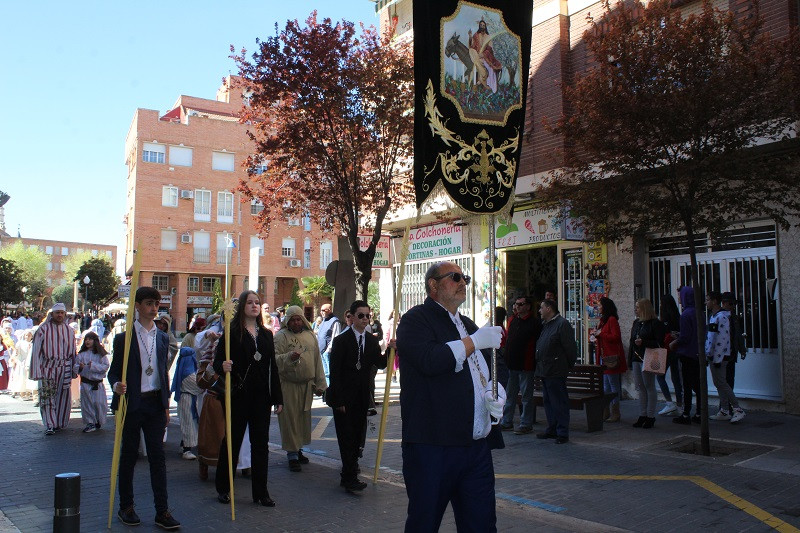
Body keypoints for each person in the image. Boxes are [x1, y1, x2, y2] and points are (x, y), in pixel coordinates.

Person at [396, 262, 505, 531]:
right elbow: (430, 360)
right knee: (425, 522)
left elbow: (488, 371)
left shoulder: (467, 324)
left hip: (476, 447)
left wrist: (497, 393)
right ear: (433, 285)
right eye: (455, 277)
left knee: (481, 524)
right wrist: (475, 342)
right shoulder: (415, 320)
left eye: (464, 277)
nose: (462, 282)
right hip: (433, 446)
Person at [108, 287, 180, 530]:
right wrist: (117, 385)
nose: (154, 308)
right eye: (149, 303)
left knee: (157, 458)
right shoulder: (124, 339)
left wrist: (166, 406)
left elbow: (162, 372)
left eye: (157, 303)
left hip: (155, 404)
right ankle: (126, 506)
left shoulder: (161, 337)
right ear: (137, 305)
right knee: (128, 456)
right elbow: (114, 372)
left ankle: (162, 510)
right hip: (132, 403)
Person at [214, 290, 283, 507]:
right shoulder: (232, 333)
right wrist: (223, 366)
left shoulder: (266, 334)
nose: (254, 306)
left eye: (257, 302)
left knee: (260, 444)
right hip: (239, 394)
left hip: (261, 397)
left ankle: (261, 492)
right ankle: (224, 487)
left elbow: (273, 368)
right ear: (242, 306)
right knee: (232, 442)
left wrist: (277, 397)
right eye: (250, 302)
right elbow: (217, 362)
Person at [326, 300, 388, 493]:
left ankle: (349, 473)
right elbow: (335, 374)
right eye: (360, 315)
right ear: (351, 317)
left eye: (367, 316)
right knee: (346, 437)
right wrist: (338, 400)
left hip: (362, 397)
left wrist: (393, 349)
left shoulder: (370, 341)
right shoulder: (341, 341)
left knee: (357, 436)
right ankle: (350, 476)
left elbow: (380, 363)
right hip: (344, 397)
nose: (364, 319)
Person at [273, 305, 327, 472]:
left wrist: (320, 384)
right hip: (288, 386)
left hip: (306, 386)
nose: (296, 322)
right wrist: (289, 357)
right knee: (290, 420)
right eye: (293, 320)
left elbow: (317, 361)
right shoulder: (281, 337)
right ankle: (292, 454)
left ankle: (299, 449)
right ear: (287, 321)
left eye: (299, 319)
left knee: (302, 420)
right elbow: (274, 360)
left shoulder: (310, 336)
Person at [535, 299, 577, 443]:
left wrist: (567, 364)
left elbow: (570, 348)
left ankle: (562, 432)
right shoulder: (547, 325)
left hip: (556, 370)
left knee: (559, 401)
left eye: (541, 308)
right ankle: (552, 428)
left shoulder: (562, 324)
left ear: (549, 308)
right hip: (545, 370)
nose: (539, 311)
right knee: (548, 401)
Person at [30, 303, 76, 436]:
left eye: (62, 313)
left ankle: (60, 423)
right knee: (47, 396)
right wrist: (37, 370)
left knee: (63, 397)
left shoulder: (69, 330)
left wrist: (74, 369)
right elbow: (36, 351)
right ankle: (50, 424)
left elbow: (73, 352)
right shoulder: (43, 329)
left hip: (64, 367)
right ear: (52, 314)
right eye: (57, 313)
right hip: (47, 368)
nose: (60, 315)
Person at [500, 297, 541, 434]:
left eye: (520, 304)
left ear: (528, 307)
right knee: (509, 395)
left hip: (526, 365)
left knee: (526, 396)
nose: (517, 306)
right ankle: (507, 422)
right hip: (512, 364)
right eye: (516, 304)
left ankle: (526, 423)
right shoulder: (513, 320)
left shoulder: (534, 323)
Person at [705, 291, 746, 423]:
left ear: (715, 301)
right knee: (719, 383)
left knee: (723, 383)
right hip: (717, 356)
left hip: (720, 356)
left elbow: (721, 339)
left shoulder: (721, 317)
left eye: (708, 300)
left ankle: (737, 409)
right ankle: (724, 410)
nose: (706, 303)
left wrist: (714, 356)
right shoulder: (716, 316)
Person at [628, 299, 666, 429]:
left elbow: (659, 342)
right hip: (637, 357)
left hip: (649, 357)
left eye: (638, 307)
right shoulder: (636, 323)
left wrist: (643, 342)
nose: (635, 310)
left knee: (649, 386)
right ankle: (642, 414)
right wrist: (630, 360)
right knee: (640, 387)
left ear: (644, 309)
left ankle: (650, 416)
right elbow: (631, 341)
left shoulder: (655, 324)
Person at [671, 286, 703, 425]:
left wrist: (674, 342)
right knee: (697, 384)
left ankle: (686, 413)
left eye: (680, 296)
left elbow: (685, 336)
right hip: (697, 353)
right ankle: (700, 411)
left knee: (687, 385)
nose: (679, 298)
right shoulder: (699, 313)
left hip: (687, 353)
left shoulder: (686, 314)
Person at [593, 297, 627, 423]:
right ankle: (606, 410)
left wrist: (601, 334)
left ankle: (615, 411)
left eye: (600, 305)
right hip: (603, 356)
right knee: (605, 385)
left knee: (613, 385)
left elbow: (616, 337)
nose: (598, 307)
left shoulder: (612, 320)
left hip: (611, 358)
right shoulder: (603, 321)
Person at [73, 331, 110, 433]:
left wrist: (92, 365)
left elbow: (105, 366)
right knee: (87, 404)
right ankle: (90, 422)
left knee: (99, 403)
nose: (87, 341)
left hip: (97, 383)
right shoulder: (81, 355)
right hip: (85, 383)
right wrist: (79, 367)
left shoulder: (100, 355)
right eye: (86, 339)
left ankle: (98, 420)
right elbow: (75, 367)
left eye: (90, 339)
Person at [171, 346, 200, 459]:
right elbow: (199, 387)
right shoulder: (188, 374)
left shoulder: (184, 370)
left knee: (189, 424)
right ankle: (187, 450)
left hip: (188, 399)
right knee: (188, 424)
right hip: (187, 399)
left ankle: (183, 446)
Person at [656, 295, 683, 416]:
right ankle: (679, 405)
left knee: (660, 376)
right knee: (676, 378)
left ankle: (669, 402)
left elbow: (661, 335)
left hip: (666, 350)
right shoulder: (678, 317)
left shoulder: (664, 319)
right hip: (676, 350)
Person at [721, 291, 747, 411]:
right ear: (724, 303)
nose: (733, 307)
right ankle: (725, 406)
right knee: (723, 381)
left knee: (730, 380)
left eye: (734, 304)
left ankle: (728, 406)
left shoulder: (734, 317)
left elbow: (738, 334)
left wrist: (742, 349)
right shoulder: (720, 316)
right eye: (730, 304)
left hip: (731, 353)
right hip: (722, 354)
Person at [468, 18, 503, 93]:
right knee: (472, 52)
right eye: (481, 25)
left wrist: (483, 54)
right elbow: (472, 46)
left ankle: (490, 83)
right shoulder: (476, 35)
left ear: (485, 27)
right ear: (479, 26)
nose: (482, 26)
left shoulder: (488, 37)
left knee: (490, 67)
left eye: (483, 25)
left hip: (486, 56)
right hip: (477, 55)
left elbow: (490, 48)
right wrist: (470, 37)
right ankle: (481, 79)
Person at [316, 303, 339, 385]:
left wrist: (328, 349)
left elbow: (336, 336)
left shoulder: (334, 321)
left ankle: (330, 390)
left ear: (329, 310)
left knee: (329, 373)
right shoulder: (323, 321)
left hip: (327, 352)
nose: (321, 312)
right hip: (321, 351)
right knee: (324, 373)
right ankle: (326, 390)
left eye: (323, 310)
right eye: (321, 310)